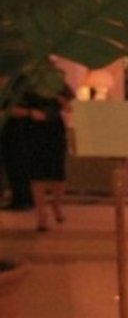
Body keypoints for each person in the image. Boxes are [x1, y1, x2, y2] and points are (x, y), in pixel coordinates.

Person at [27, 84, 74, 231]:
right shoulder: (29, 85)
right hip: (34, 131)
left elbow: (70, 106)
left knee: (58, 173)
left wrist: (60, 99)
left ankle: (56, 204)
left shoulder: (58, 84)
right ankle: (42, 216)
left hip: (55, 131)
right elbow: (14, 107)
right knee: (37, 174)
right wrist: (30, 112)